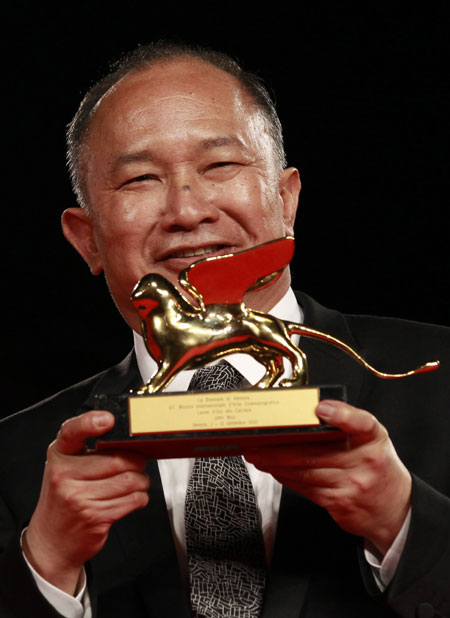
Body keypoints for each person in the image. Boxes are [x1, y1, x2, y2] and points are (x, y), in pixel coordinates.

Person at [0, 42, 449, 618]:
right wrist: (45, 568)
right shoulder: (15, 460)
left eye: (219, 166)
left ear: (286, 200)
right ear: (86, 238)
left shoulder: (443, 379)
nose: (186, 210)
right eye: (139, 178)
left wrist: (404, 520)